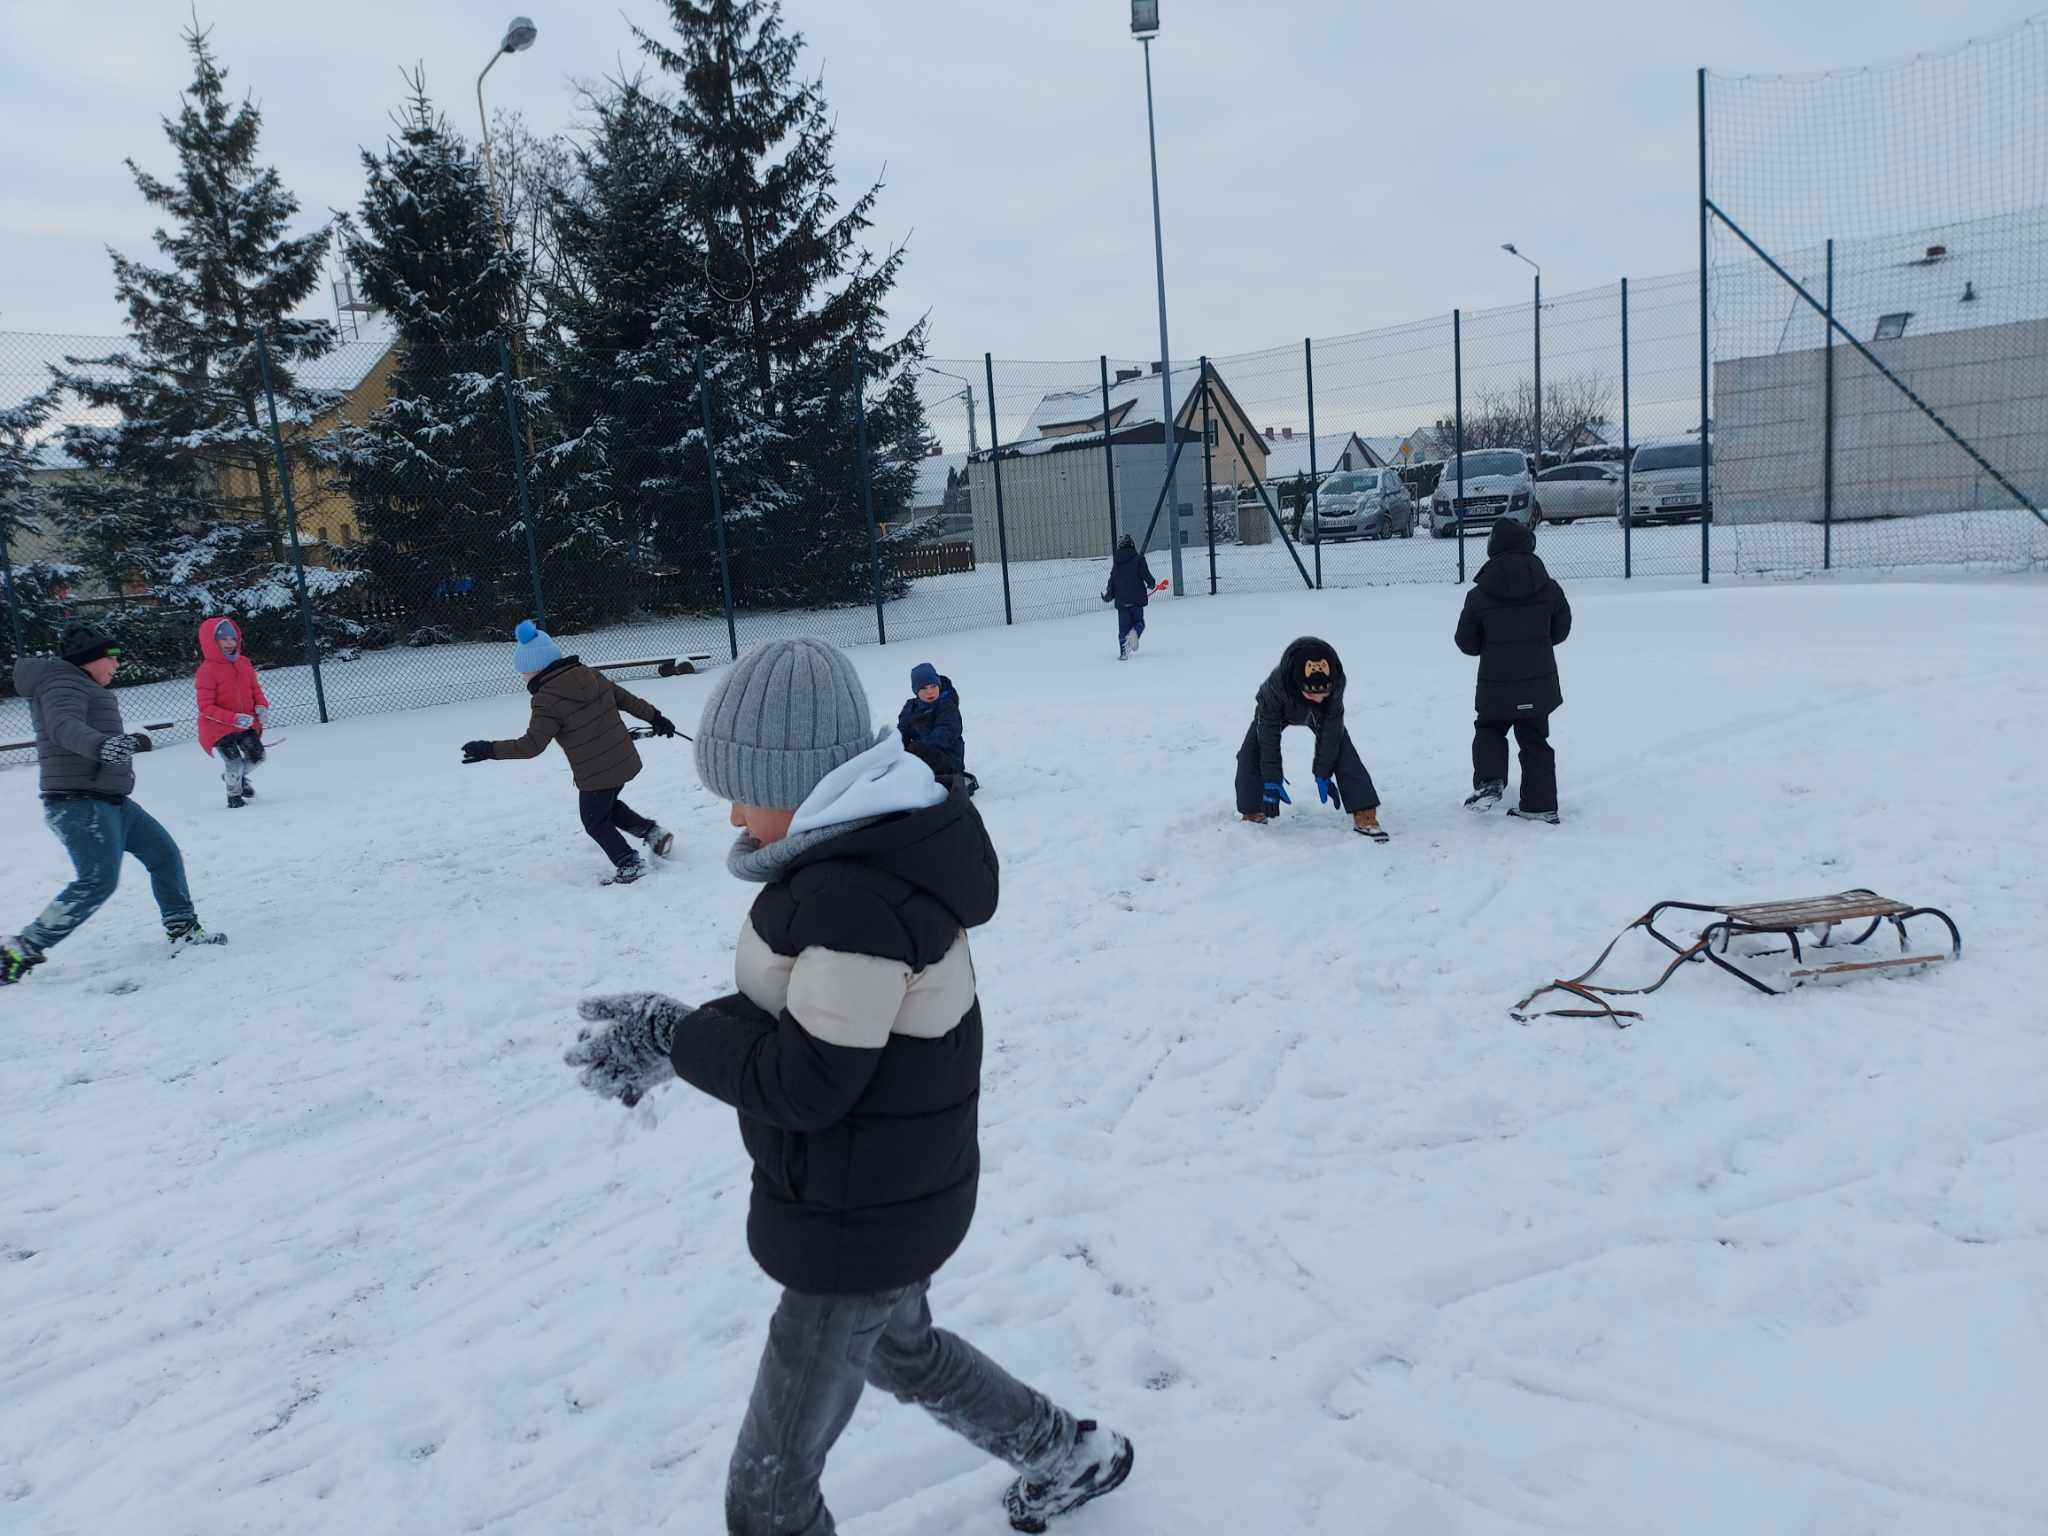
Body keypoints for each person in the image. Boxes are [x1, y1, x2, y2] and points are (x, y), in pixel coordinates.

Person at [564, 637, 1134, 1536]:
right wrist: (682, 1037)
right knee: (904, 1352)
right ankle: (1064, 1453)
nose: (732, 819)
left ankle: (1063, 1452)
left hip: (855, 1221)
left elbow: (806, 1081)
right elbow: (809, 1018)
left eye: (741, 795)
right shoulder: (864, 870)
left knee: (769, 1497)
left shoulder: (855, 904)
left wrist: (676, 1035)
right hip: (884, 1196)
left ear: (795, 785)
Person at [2, 622, 226, 985]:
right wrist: (102, 746)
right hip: (78, 803)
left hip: (110, 800)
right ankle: (21, 949)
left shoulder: (81, 683)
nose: (116, 666)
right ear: (89, 659)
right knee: (97, 881)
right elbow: (62, 726)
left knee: (164, 854)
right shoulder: (61, 682)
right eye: (111, 658)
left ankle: (182, 929)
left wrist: (113, 745)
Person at [460, 620, 680, 884]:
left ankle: (629, 863)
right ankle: (653, 834)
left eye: (524, 672)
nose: (523, 678)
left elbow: (531, 746)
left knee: (594, 820)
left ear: (535, 668)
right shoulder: (589, 674)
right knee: (605, 807)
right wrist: (656, 717)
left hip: (596, 771)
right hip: (622, 759)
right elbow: (626, 699)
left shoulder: (546, 700)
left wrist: (488, 749)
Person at [1454, 519, 1572, 823]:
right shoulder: (1549, 588)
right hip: (1539, 681)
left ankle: (1490, 781)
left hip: (1497, 683)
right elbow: (1561, 630)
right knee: (1535, 738)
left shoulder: (1479, 595)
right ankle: (1540, 804)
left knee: (1490, 729)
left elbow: (1466, 642)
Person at [1235, 635, 1388, 841]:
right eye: (1312, 694)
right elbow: (1268, 737)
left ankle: (1365, 813)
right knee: (1251, 752)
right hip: (1278, 712)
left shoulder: (1336, 681)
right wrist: (1271, 780)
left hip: (1322, 716)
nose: (1318, 698)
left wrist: (1323, 773)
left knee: (1342, 748)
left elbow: (1331, 732)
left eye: (1324, 693)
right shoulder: (1275, 687)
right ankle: (1252, 812)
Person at [194, 615, 270, 808]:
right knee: (234, 762)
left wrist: (261, 706)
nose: (229, 643)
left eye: (233, 638)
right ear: (212, 642)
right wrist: (234, 718)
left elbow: (255, 689)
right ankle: (234, 796)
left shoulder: (243, 663)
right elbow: (205, 707)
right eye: (223, 639)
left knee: (258, 756)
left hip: (245, 724)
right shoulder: (207, 670)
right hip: (218, 728)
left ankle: (233, 777)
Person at [896, 660, 974, 793]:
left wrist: (920, 747)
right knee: (896, 758)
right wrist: (897, 748)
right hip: (921, 756)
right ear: (916, 691)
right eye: (924, 688)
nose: (929, 692)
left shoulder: (947, 707)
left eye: (933, 686)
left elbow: (946, 732)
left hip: (948, 759)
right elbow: (902, 731)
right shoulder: (911, 708)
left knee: (920, 758)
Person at [1099, 532, 1156, 660]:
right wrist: (1152, 584)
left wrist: (1108, 596)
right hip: (1136, 601)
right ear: (1132, 545)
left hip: (1122, 603)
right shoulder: (1138, 559)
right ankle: (1135, 632)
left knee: (1123, 630)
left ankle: (1124, 653)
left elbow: (1112, 583)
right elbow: (1146, 576)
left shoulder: (1116, 564)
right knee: (1139, 622)